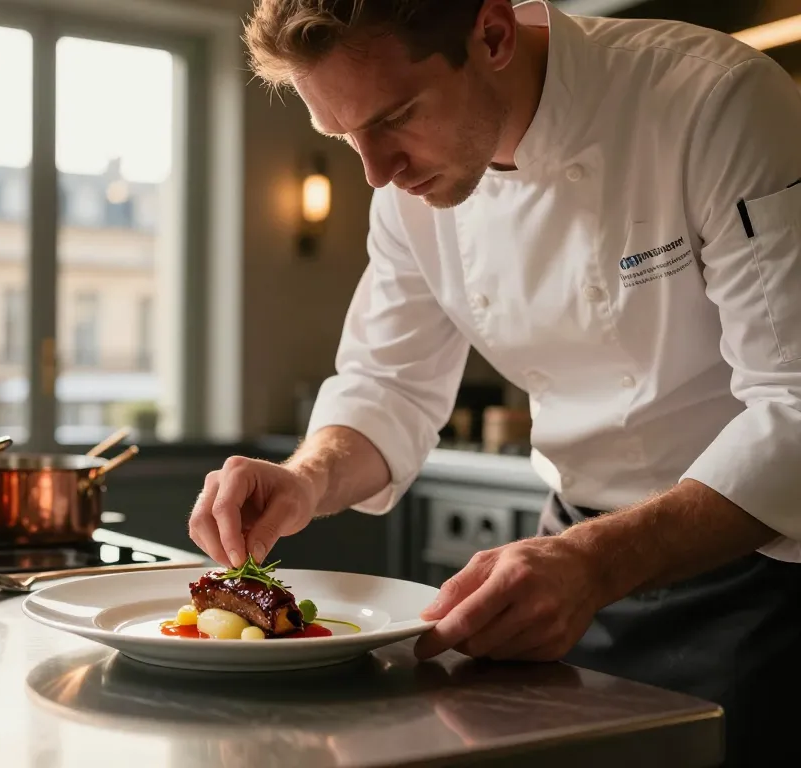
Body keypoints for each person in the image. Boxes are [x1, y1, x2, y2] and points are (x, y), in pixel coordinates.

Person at [189, 0, 801, 763]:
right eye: (345, 137)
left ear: (493, 35)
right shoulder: (407, 191)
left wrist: (597, 562)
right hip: (570, 559)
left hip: (759, 574)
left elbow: (795, 405)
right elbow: (387, 386)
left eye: (397, 116)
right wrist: (305, 478)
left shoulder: (716, 101)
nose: (377, 171)